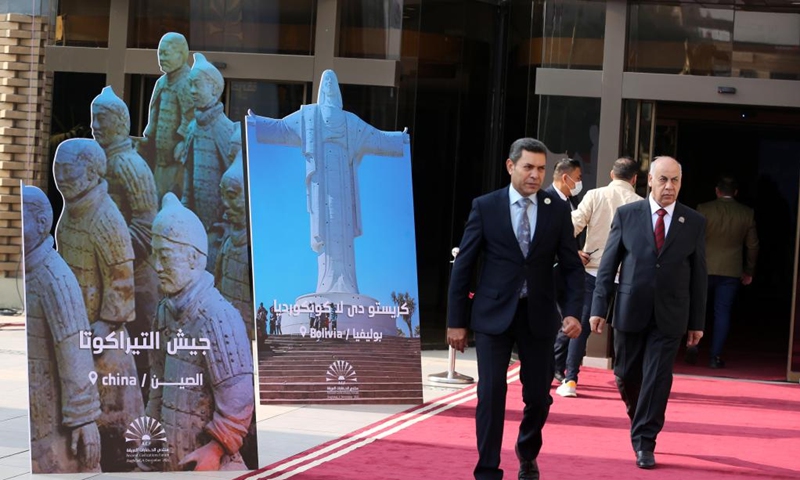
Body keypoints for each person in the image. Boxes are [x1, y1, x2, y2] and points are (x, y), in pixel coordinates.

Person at [447, 138, 584, 480]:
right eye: (528, 167)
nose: (535, 175)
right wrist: (456, 322)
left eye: (540, 168)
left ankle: (527, 452)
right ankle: (488, 470)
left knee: (538, 396)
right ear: (511, 167)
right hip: (493, 315)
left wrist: (573, 311)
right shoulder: (486, 206)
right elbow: (463, 266)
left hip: (538, 316)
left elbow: (571, 266)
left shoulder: (556, 209)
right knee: (491, 393)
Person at [589, 156, 707, 470]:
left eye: (676, 180)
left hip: (671, 315)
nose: (670, 187)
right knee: (626, 375)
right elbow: (608, 266)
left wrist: (697, 322)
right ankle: (640, 415)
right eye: (664, 179)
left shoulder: (693, 222)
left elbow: (699, 276)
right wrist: (599, 307)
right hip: (630, 309)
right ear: (649, 181)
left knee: (657, 378)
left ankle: (645, 441)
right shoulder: (627, 215)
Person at [247, 69, 409, 295]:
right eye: (327, 82)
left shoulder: (350, 121)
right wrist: (256, 124)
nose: (330, 85)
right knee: (327, 228)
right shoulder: (309, 115)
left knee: (343, 228)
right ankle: (327, 282)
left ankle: (348, 284)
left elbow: (376, 137)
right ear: (322, 88)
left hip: (343, 180)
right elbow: (283, 128)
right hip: (322, 182)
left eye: (334, 82)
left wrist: (399, 139)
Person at [53, 138, 145, 471]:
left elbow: (122, 278)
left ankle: (130, 463)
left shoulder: (106, 218)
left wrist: (106, 324)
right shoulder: (72, 212)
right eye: (57, 167)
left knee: (117, 415)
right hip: (79, 331)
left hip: (105, 339)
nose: (60, 175)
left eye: (69, 168)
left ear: (92, 173)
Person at [147, 193, 254, 471]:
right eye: (154, 254)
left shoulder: (218, 317)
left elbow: (239, 399)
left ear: (193, 258)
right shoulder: (165, 310)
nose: (157, 266)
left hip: (209, 464)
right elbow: (159, 383)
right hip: (170, 456)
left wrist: (217, 448)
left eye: (165, 257)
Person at [24, 185, 102, 473]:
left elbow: (74, 348)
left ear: (42, 224)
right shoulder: (28, 269)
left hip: (54, 422)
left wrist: (83, 418)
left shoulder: (54, 278)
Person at [554, 157, 642, 398]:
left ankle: (570, 379)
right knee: (625, 329)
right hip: (626, 276)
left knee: (580, 326)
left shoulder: (594, 195)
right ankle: (627, 380)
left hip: (593, 270)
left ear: (612, 175)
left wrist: (573, 252)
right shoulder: (641, 204)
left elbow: (570, 227)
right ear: (634, 179)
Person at [692, 176, 758, 368]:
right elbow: (753, 245)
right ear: (735, 193)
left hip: (704, 267)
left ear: (717, 191)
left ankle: (693, 344)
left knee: (699, 309)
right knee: (723, 312)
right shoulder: (746, 213)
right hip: (731, 270)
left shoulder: (704, 209)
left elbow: (693, 239)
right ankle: (715, 356)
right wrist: (749, 270)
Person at [139, 32, 194, 198]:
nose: (161, 58)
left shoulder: (187, 82)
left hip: (177, 159)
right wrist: (149, 136)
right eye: (159, 54)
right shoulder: (162, 82)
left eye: (165, 53)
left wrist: (182, 141)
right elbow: (154, 113)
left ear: (180, 54)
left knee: (172, 196)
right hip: (159, 155)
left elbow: (190, 116)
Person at [548, 158, 583, 384]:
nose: (579, 183)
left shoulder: (571, 201)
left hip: (567, 273)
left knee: (567, 320)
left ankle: (556, 367)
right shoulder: (546, 201)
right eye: (578, 178)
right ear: (565, 177)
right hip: (550, 274)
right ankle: (553, 366)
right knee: (557, 322)